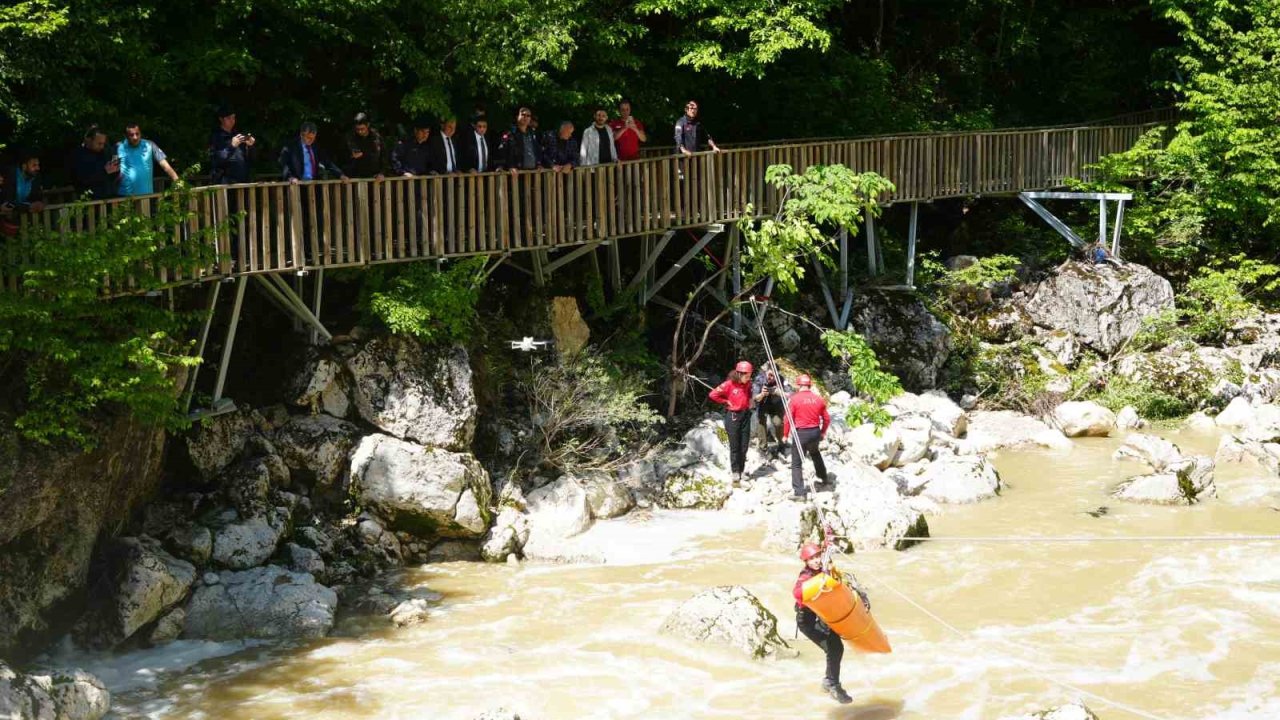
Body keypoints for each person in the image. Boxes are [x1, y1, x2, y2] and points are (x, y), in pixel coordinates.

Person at [792, 543, 854, 705]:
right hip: (808, 622)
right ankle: (832, 684)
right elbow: (797, 593)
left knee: (836, 647)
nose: (816, 560)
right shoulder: (805, 576)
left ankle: (830, 682)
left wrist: (828, 539)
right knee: (834, 648)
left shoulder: (822, 566)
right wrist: (820, 580)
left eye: (817, 556)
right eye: (811, 559)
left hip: (821, 616)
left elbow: (826, 548)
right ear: (806, 562)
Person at [782, 374, 830, 500]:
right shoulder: (818, 399)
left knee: (797, 463)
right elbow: (826, 418)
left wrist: (785, 435)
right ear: (810, 385)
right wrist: (823, 432)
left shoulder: (794, 399)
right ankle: (824, 477)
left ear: (798, 385)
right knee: (815, 453)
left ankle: (799, 492)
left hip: (801, 433)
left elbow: (787, 419)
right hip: (815, 432)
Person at [708, 360, 754, 484]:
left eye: (750, 375)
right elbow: (713, 394)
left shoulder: (748, 384)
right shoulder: (729, 384)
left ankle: (742, 470)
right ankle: (735, 471)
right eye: (747, 376)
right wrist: (725, 401)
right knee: (735, 447)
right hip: (733, 417)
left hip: (745, 415)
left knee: (744, 446)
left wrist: (750, 402)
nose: (749, 378)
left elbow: (749, 394)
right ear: (739, 374)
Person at [117, 123, 180, 196]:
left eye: (137, 134)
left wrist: (176, 180)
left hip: (146, 196)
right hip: (124, 196)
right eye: (132, 135)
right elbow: (112, 169)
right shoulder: (118, 147)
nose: (135, 137)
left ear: (140, 134)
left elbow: (165, 165)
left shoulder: (150, 144)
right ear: (126, 136)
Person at [279, 122, 348, 183]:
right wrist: (290, 177)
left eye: (313, 138)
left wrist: (340, 175)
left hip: (313, 185)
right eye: (308, 137)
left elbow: (327, 162)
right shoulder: (290, 147)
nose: (311, 140)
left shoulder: (316, 146)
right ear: (302, 135)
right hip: (296, 184)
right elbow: (284, 164)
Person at [209, 105, 256, 184]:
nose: (232, 120)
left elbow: (251, 160)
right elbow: (217, 160)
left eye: (233, 117)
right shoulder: (216, 137)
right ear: (221, 119)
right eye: (228, 118)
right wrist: (232, 146)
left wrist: (250, 146)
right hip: (225, 183)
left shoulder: (238, 135)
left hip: (242, 182)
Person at [70, 126, 120, 199]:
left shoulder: (105, 152)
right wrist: (105, 171)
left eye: (103, 143)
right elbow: (82, 179)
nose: (102, 146)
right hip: (90, 199)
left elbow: (112, 175)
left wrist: (115, 169)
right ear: (88, 140)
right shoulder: (78, 156)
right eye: (99, 143)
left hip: (109, 198)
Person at [752, 369, 789, 457]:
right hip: (763, 403)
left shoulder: (781, 380)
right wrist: (762, 394)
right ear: (766, 373)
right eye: (769, 375)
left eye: (773, 376)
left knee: (779, 423)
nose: (770, 377)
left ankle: (781, 443)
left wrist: (780, 392)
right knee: (761, 422)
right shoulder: (759, 380)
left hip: (776, 405)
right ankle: (763, 447)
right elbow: (754, 397)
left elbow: (789, 394)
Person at [498, 107, 541, 173]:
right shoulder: (509, 133)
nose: (525, 117)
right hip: (515, 172)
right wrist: (510, 166)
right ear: (517, 116)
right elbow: (502, 150)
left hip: (533, 172)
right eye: (523, 115)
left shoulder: (532, 134)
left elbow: (537, 150)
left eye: (528, 116)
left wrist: (538, 163)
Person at [344, 112, 386, 179]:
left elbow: (383, 155)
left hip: (375, 176)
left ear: (368, 125)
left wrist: (382, 172)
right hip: (356, 176)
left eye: (362, 129)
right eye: (358, 129)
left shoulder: (376, 136)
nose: (360, 131)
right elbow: (344, 156)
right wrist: (352, 155)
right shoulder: (351, 137)